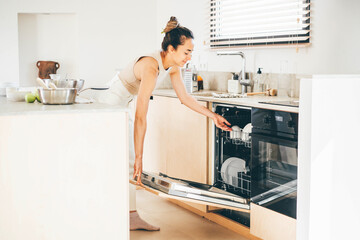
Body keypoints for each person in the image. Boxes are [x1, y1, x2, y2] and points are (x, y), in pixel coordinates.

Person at [98, 16, 232, 231]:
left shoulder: (172, 66)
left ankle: (130, 216)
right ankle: (106, 212)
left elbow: (185, 98)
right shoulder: (150, 67)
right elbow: (141, 115)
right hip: (110, 104)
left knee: (129, 162)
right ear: (171, 49)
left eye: (191, 52)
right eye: (186, 51)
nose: (189, 57)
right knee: (124, 160)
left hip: (123, 104)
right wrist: (141, 157)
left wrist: (213, 116)